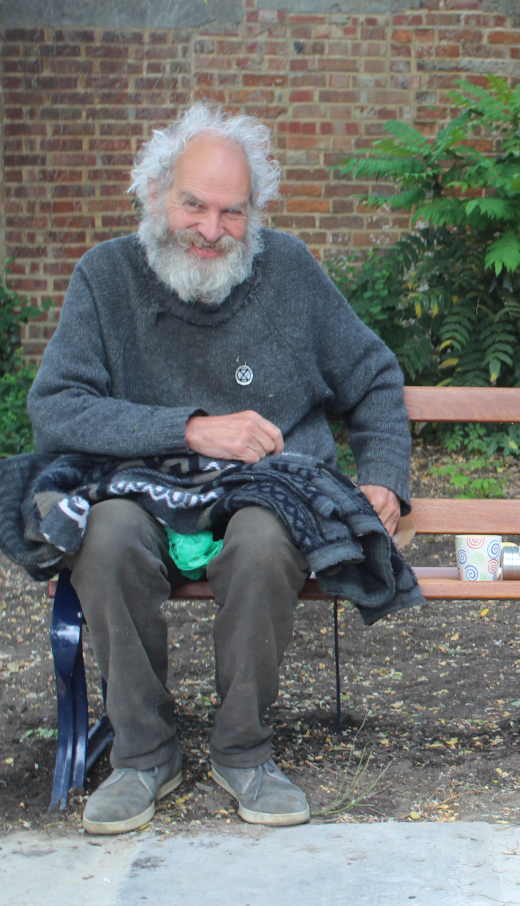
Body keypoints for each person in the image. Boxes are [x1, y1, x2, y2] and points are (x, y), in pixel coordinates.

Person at [26, 103, 412, 835]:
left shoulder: (288, 271)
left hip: (268, 492)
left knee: (266, 541)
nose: (211, 229)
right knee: (103, 538)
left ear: (254, 213)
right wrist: (191, 429)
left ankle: (244, 751)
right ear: (154, 195)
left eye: (232, 211)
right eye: (194, 205)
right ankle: (144, 754)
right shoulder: (104, 277)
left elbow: (374, 378)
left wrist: (383, 477)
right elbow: (56, 408)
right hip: (141, 489)